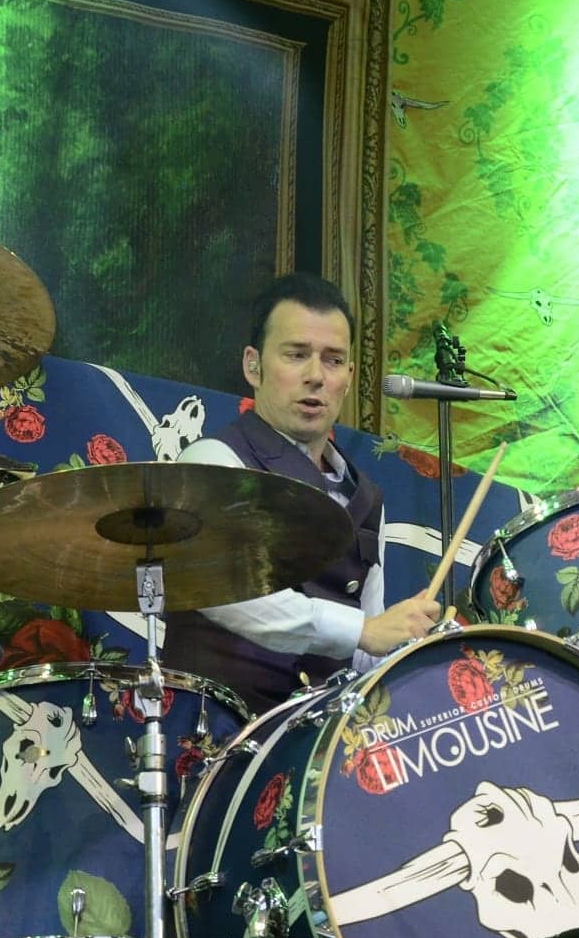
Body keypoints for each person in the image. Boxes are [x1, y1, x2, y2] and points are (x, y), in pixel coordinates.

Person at [164, 273, 439, 714]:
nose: (315, 376)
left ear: (349, 377)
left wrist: (407, 647)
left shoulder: (365, 497)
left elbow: (367, 648)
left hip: (315, 738)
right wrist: (362, 630)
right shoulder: (213, 460)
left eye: (333, 360)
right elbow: (226, 591)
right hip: (218, 729)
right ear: (253, 366)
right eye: (296, 355)